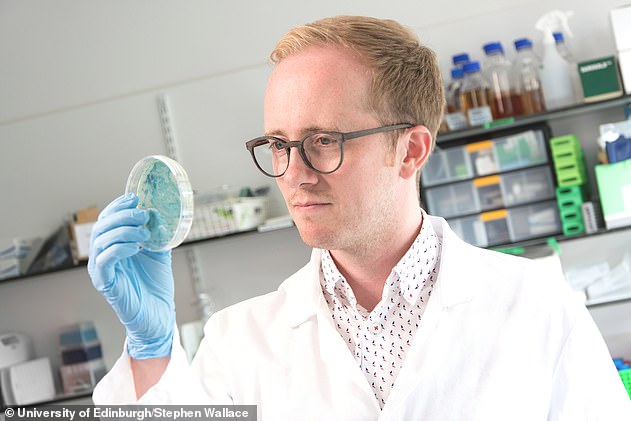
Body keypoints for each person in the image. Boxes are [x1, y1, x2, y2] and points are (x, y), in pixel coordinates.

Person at [88, 15, 631, 420]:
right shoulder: (238, 342)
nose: (293, 173)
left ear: (412, 150)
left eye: (324, 140)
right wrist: (152, 352)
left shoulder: (536, 303)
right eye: (279, 144)